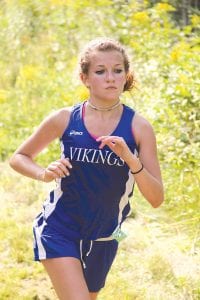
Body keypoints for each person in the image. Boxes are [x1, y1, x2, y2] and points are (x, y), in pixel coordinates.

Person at [9, 37, 164, 300]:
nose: (111, 78)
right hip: (59, 227)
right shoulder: (65, 118)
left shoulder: (139, 128)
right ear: (85, 78)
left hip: (104, 236)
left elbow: (156, 198)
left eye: (118, 70)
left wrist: (130, 158)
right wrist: (44, 173)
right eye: (100, 71)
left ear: (126, 75)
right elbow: (20, 157)